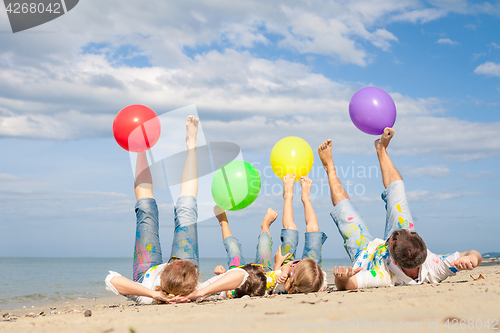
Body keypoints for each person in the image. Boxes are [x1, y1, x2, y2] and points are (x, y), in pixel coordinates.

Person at [318, 127, 483, 291]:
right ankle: (381, 149)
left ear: (393, 260)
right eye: (411, 233)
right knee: (398, 193)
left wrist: (341, 279)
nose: (404, 231)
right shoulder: (434, 265)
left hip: (365, 255)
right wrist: (473, 259)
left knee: (346, 213)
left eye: (394, 238)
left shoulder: (382, 275)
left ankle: (329, 166)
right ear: (422, 248)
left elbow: (348, 285)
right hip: (402, 248)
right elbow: (473, 252)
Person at [105, 115, 203, 304]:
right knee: (187, 207)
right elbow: (239, 275)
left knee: (146, 210)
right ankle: (192, 145)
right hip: (184, 276)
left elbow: (112, 280)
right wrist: (197, 293)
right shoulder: (193, 288)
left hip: (146, 275)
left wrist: (153, 294)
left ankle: (141, 147)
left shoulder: (146, 296)